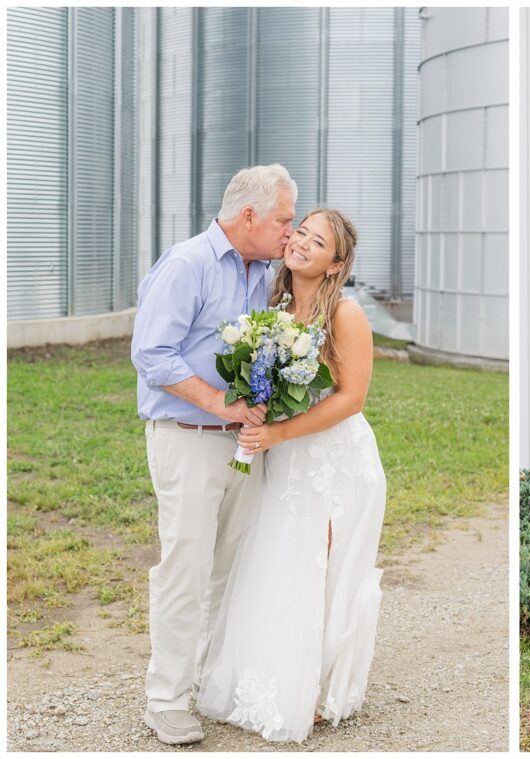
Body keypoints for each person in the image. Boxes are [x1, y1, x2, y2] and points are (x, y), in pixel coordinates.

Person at [196, 209, 386, 742]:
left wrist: (279, 433)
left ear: (335, 264)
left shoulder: (345, 316)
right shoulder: (273, 309)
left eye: (316, 240)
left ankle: (319, 688)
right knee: (278, 559)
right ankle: (267, 676)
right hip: (285, 458)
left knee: (323, 566)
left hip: (333, 461)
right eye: (300, 230)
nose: (300, 241)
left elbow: (352, 398)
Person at [131, 164, 296, 745]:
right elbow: (152, 355)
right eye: (284, 219)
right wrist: (221, 402)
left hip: (243, 446)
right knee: (185, 569)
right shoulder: (187, 264)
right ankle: (166, 699)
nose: (290, 231)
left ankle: (207, 683)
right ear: (248, 216)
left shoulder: (265, 274)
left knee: (229, 569)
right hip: (188, 438)